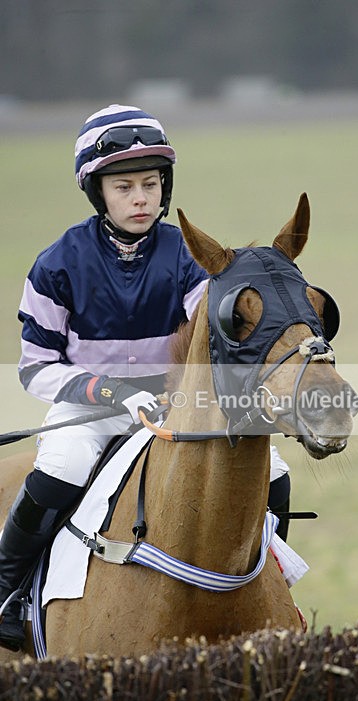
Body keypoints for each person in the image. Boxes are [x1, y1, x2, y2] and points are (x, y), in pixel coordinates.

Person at [0, 104, 290, 652]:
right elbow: (37, 368)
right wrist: (116, 394)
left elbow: (215, 343)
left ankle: (259, 580)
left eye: (152, 185)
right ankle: (6, 591)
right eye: (125, 186)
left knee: (273, 469)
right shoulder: (56, 264)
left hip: (177, 407)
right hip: (90, 408)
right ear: (98, 192)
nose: (141, 198)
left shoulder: (188, 258)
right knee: (61, 464)